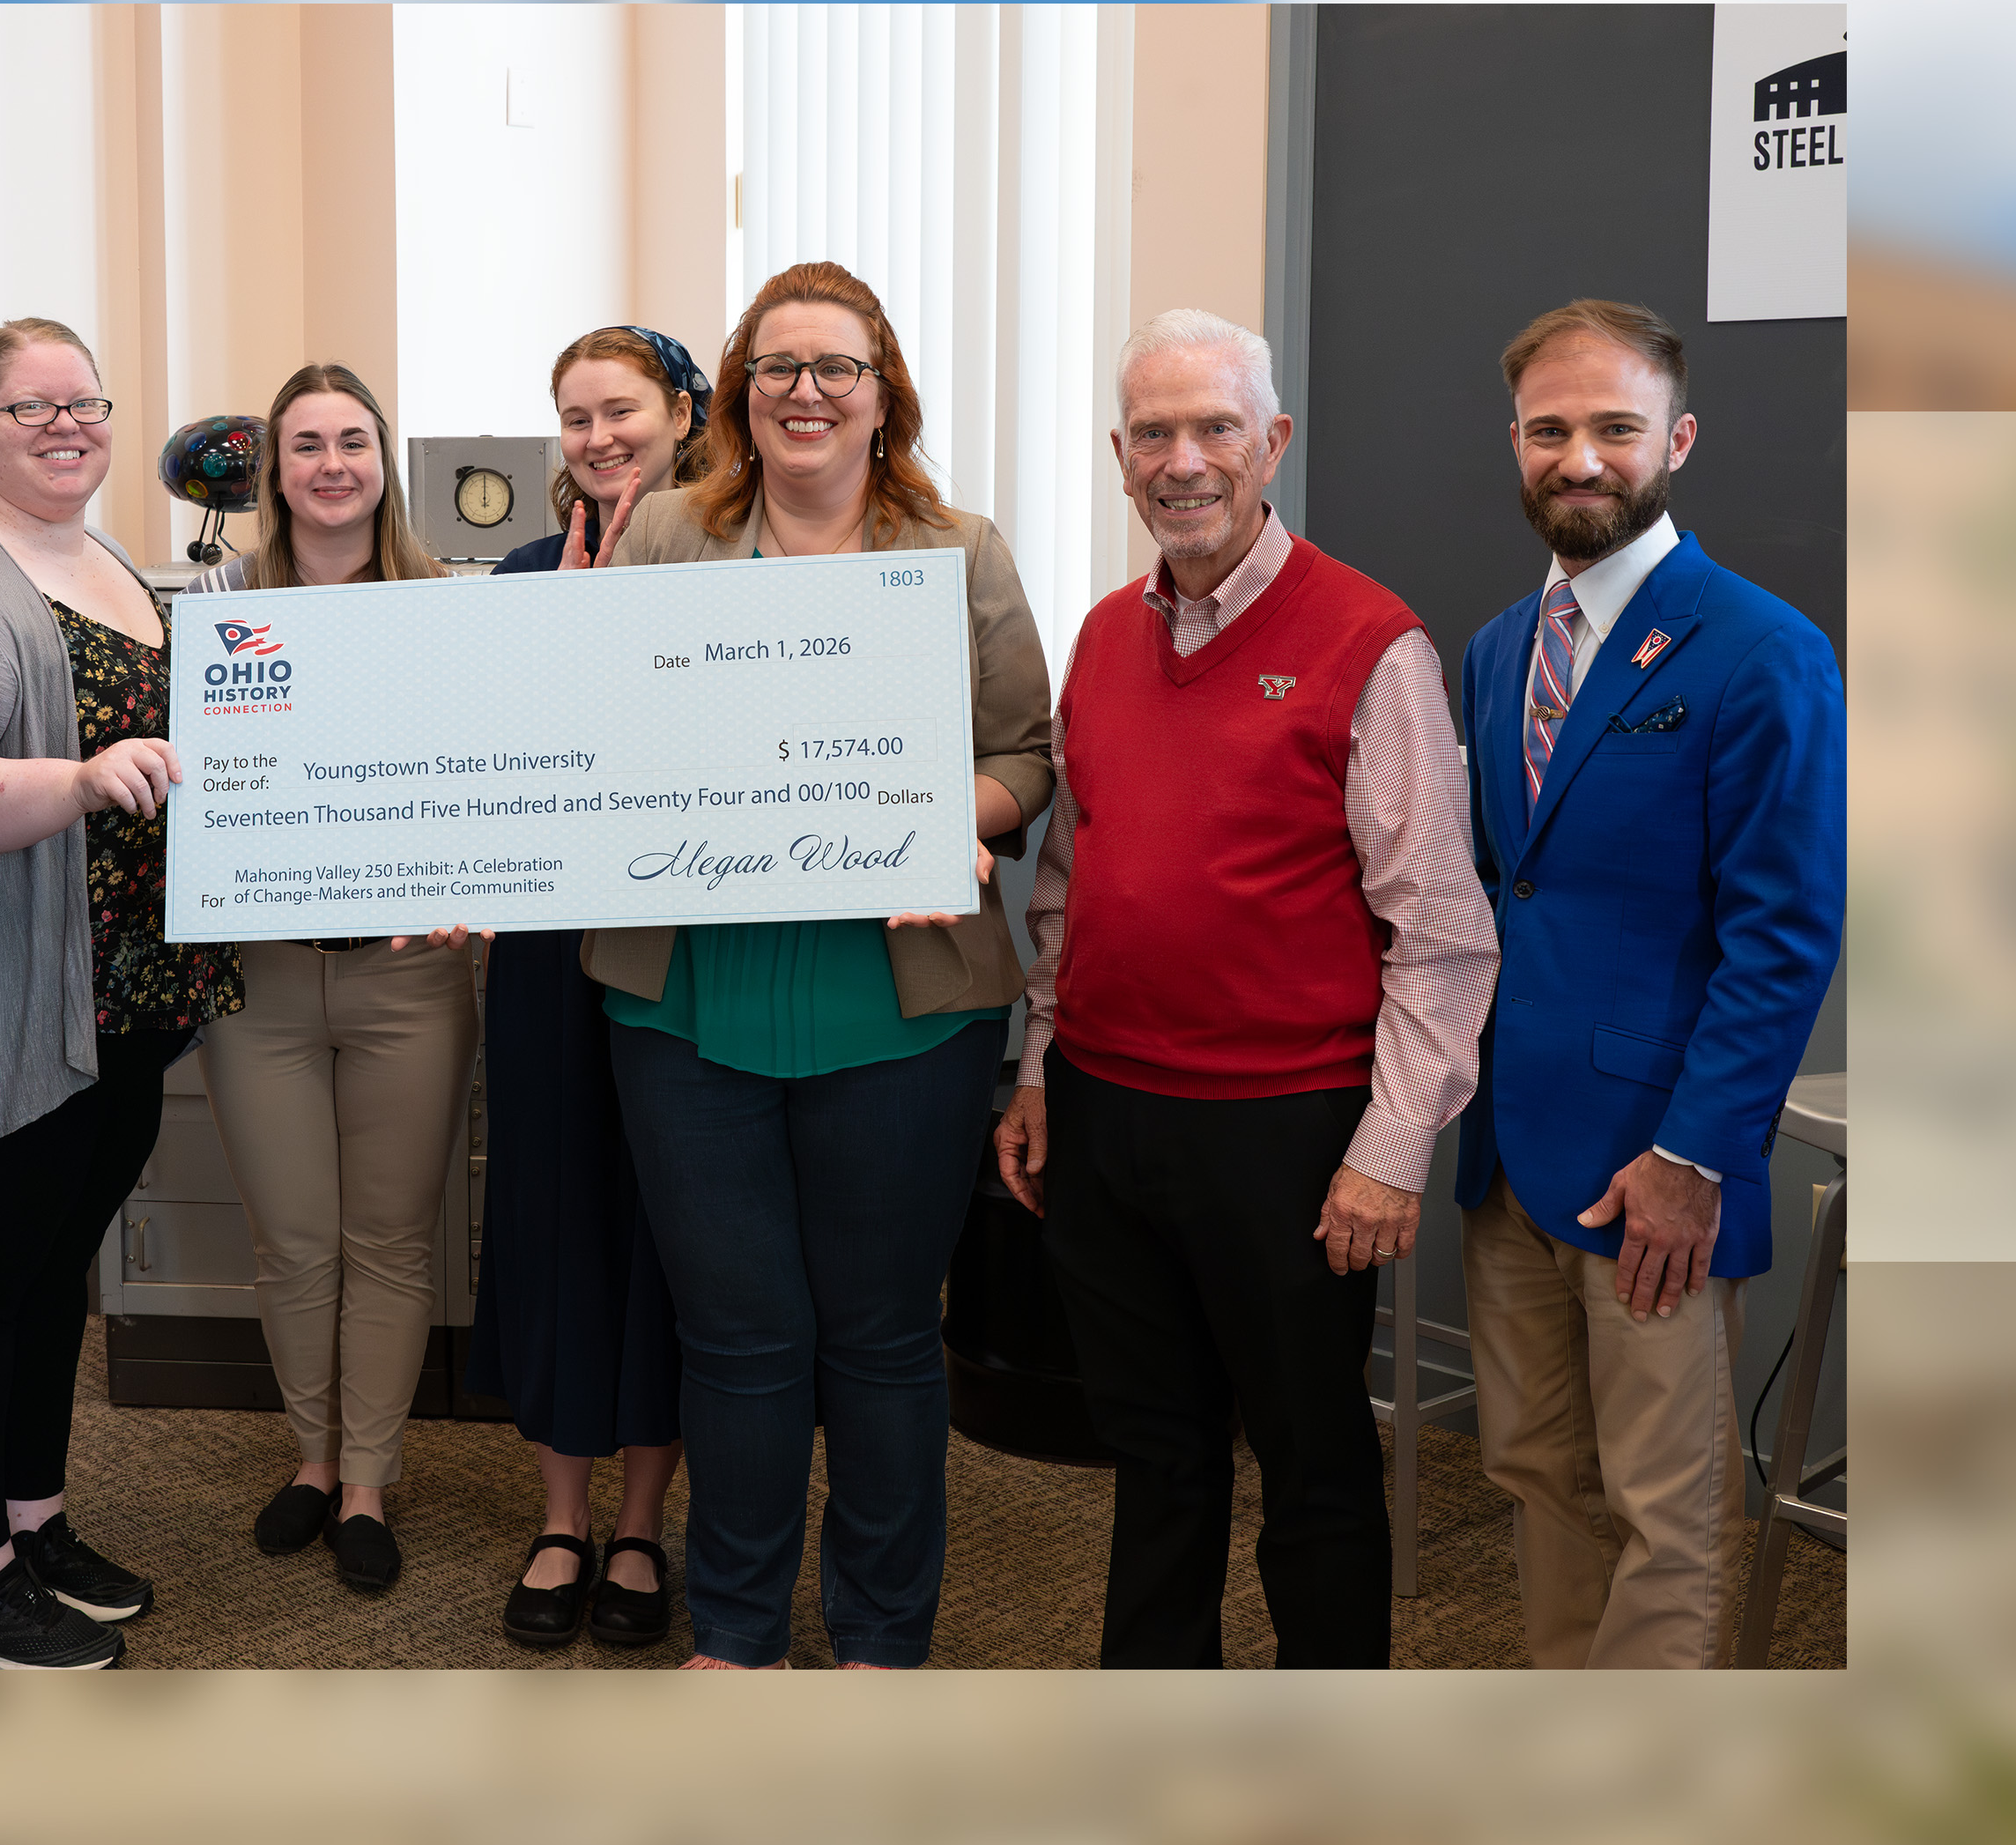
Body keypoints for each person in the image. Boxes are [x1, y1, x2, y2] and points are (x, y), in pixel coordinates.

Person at [993, 307, 1498, 1670]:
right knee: (1153, 1459)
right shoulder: (1102, 639)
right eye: (1152, 432)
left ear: (1271, 442)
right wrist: (1040, 1068)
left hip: (1285, 1131)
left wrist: (1389, 1153)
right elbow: (1069, 884)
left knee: (1313, 1466)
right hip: (1105, 1115)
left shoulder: (1366, 642)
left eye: (1215, 426)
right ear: (1117, 455)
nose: (1184, 459)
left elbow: (1442, 934)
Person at [585, 262, 1054, 1671]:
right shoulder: (662, 531)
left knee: (880, 1341)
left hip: (901, 1011)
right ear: (738, 394)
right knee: (733, 1337)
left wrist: (933, 820)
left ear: (882, 394)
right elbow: (588, 727)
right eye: (777, 368)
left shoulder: (958, 548)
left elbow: (1026, 758)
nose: (805, 392)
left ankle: (879, 1643)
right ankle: (734, 1633)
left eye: (835, 368)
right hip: (687, 998)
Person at [1453, 300, 1844, 1668]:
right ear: (1515, 443)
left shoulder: (1761, 648)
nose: (1581, 458)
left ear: (1674, 438)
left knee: (1665, 1515)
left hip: (1654, 1171)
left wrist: (1696, 1155)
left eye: (1614, 428)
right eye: (1550, 430)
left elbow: (1784, 932)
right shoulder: (1502, 650)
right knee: (1535, 1475)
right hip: (1509, 1156)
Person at [0, 319, 239, 1673]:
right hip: (11, 980)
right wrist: (82, 782)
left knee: (49, 1276)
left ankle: (31, 1522)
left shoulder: (119, 563)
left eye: (85, 403)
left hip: (137, 984)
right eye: (31, 408)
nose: (67, 426)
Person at [185, 364, 475, 1597]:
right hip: (261, 979)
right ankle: (311, 1463)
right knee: (295, 1239)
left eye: (353, 440)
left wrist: (482, 876)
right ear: (273, 471)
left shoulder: (441, 606)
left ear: (381, 460)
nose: (332, 464)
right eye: (306, 444)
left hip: (407, 982)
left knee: (393, 1239)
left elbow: (485, 775)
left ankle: (370, 1479)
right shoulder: (217, 608)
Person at [465, 325, 707, 1649]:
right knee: (556, 1215)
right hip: (551, 955)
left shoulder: (731, 562)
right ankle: (562, 1520)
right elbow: (481, 757)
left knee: (663, 1225)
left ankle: (639, 1528)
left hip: (680, 940)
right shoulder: (515, 572)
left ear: (680, 411)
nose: (598, 438)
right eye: (574, 419)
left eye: (620, 411)